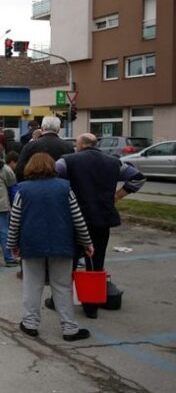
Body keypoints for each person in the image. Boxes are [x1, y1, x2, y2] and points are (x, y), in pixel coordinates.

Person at [53, 133, 145, 318]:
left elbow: (53, 177)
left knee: (69, 261)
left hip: (75, 218)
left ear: (81, 145)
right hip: (102, 218)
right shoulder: (114, 162)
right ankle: (91, 306)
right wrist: (117, 196)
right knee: (96, 261)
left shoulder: (68, 161)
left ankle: (62, 301)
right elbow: (138, 178)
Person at [7, 153, 93, 341]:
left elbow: (15, 220)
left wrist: (12, 244)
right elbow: (78, 218)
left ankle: (30, 324)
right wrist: (87, 242)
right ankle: (69, 329)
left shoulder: (22, 190)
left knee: (32, 285)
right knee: (62, 286)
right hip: (61, 243)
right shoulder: (65, 188)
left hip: (31, 244)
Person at [15, 116, 73, 182]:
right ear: (58, 129)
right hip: (60, 186)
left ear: (42, 128)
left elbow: (20, 169)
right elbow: (72, 170)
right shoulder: (68, 146)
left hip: (34, 184)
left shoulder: (30, 146)